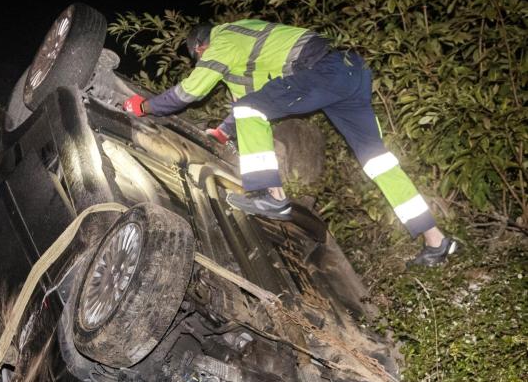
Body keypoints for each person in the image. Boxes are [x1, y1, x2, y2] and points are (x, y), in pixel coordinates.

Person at [123, 20, 457, 267]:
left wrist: (145, 107)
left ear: (201, 46)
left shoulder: (223, 38)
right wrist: (223, 132)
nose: (203, 62)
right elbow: (248, 101)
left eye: (199, 57)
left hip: (323, 68)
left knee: (251, 110)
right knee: (377, 161)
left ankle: (271, 195)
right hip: (351, 72)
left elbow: (191, 91)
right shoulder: (247, 48)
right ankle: (436, 240)